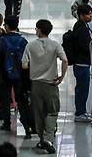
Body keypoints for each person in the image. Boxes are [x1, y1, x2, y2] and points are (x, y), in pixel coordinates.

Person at [22, 19, 68, 154]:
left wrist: (35, 66)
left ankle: (42, 139)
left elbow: (24, 65)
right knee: (52, 111)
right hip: (51, 84)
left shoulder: (30, 46)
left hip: (36, 84)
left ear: (40, 30)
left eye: (36, 29)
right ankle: (48, 138)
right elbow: (64, 60)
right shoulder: (55, 45)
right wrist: (62, 76)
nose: (35, 31)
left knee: (39, 114)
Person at [0, 16, 32, 136]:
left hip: (5, 75)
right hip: (20, 75)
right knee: (22, 100)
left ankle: (6, 123)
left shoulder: (2, 40)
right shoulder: (23, 41)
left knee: (5, 99)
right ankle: (26, 126)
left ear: (7, 26)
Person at [71, 5, 92, 123]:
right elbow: (84, 46)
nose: (90, 16)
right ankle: (80, 113)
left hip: (83, 62)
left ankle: (82, 111)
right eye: (88, 14)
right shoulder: (81, 28)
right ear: (81, 15)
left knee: (83, 89)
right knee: (82, 89)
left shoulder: (82, 26)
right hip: (81, 63)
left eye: (91, 14)